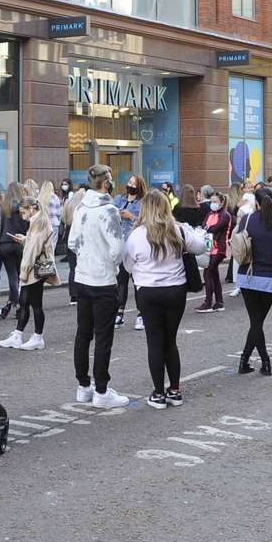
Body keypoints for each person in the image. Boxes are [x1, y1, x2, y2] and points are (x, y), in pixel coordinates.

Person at [122, 190, 206, 408]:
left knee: (155, 342)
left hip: (148, 291)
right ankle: (175, 390)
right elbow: (201, 246)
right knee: (170, 340)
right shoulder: (177, 230)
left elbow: (128, 265)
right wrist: (185, 228)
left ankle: (158, 393)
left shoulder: (136, 235)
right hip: (175, 290)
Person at [68, 164, 129, 407]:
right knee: (103, 337)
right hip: (103, 280)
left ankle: (84, 386)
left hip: (82, 278)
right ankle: (102, 391)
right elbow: (118, 249)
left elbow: (72, 242)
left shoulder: (81, 207)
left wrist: (87, 256)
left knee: (83, 334)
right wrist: (108, 263)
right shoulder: (109, 210)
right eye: (111, 178)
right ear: (106, 183)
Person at [234, 187, 272, 374]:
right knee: (257, 322)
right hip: (270, 277)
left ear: (255, 202)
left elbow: (239, 242)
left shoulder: (247, 220)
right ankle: (261, 362)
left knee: (255, 322)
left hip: (248, 275)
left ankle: (250, 361)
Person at [2, 197, 54, 351]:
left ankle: (38, 337)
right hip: (35, 267)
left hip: (35, 268)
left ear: (32, 208)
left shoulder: (39, 222)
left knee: (36, 304)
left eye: (23, 210)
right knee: (24, 301)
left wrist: (23, 272)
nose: (21, 213)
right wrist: (25, 239)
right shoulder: (37, 221)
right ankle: (18, 335)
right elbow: (35, 244)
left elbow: (33, 250)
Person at [0, 182, 26, 320]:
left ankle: (10, 304)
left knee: (12, 276)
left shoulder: (2, 207)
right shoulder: (24, 207)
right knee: (19, 277)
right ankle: (18, 306)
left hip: (5, 245)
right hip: (20, 244)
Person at [195, 191, 233, 314]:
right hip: (209, 247)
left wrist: (207, 228)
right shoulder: (210, 214)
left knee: (208, 272)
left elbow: (215, 227)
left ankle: (208, 303)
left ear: (222, 203)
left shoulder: (225, 215)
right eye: (211, 201)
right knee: (214, 274)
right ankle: (219, 302)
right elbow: (203, 225)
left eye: (215, 201)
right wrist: (206, 228)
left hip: (220, 248)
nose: (213, 204)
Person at [114, 175, 144, 329]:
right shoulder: (119, 199)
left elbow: (145, 222)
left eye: (134, 183)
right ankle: (119, 313)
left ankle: (141, 314)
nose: (130, 185)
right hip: (121, 246)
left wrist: (131, 216)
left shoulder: (143, 202)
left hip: (135, 246)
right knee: (121, 282)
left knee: (138, 282)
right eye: (129, 182)